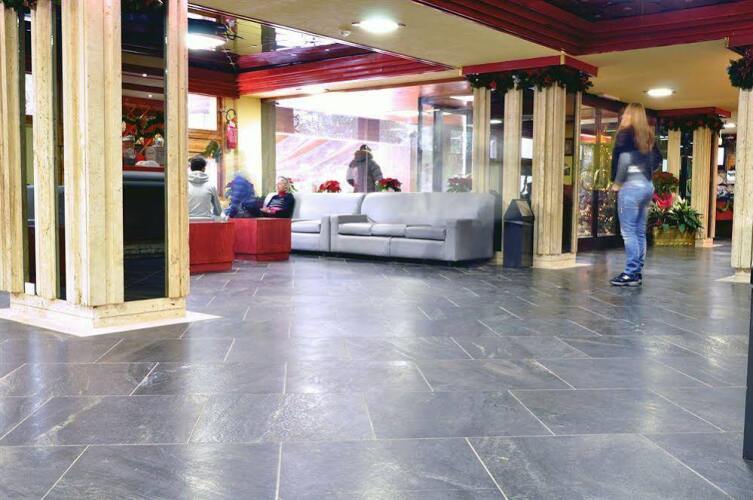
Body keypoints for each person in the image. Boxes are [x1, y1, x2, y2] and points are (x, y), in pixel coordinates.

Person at [609, 103, 663, 287]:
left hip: (630, 186)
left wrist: (617, 183)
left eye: (625, 114)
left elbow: (624, 159)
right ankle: (637, 272)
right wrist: (644, 169)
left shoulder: (625, 134)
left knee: (629, 231)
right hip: (647, 185)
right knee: (639, 231)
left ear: (630, 115)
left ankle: (630, 273)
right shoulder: (648, 135)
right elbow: (658, 160)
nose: (623, 117)